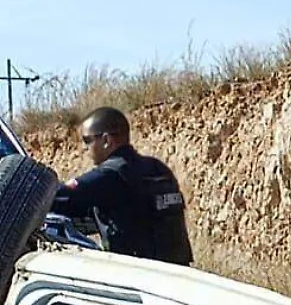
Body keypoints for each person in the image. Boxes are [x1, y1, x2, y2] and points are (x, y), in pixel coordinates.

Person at [49, 107, 194, 265]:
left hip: (138, 275)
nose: (84, 148)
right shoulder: (158, 168)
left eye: (87, 140)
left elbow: (54, 198)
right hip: (179, 272)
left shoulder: (110, 175)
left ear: (106, 140)